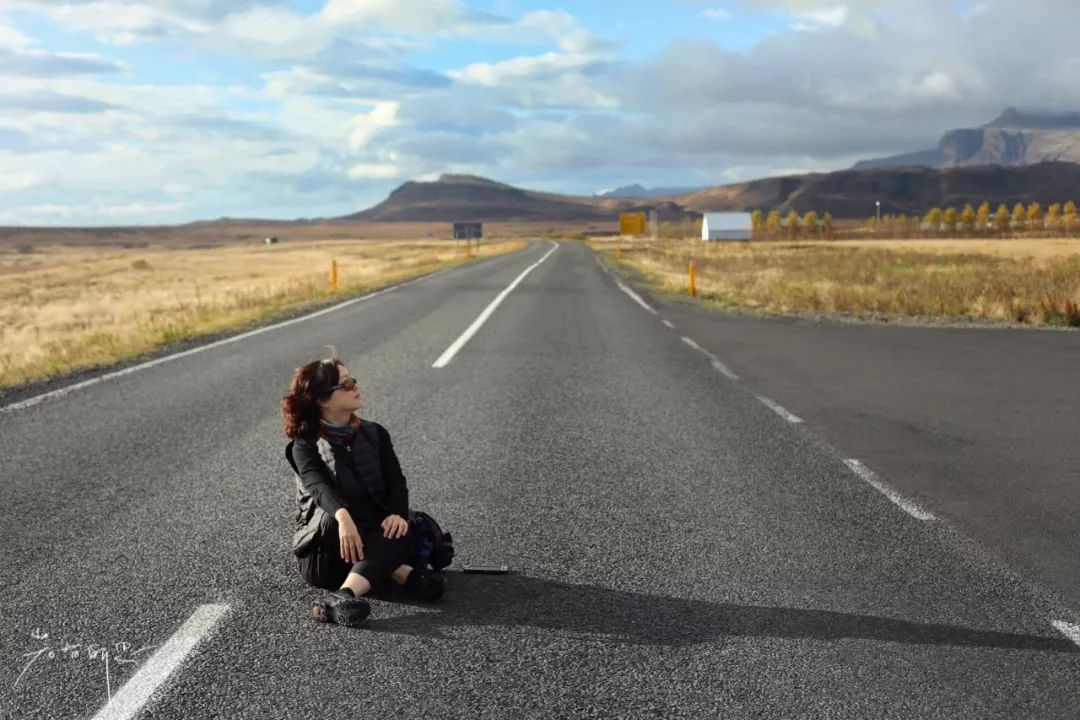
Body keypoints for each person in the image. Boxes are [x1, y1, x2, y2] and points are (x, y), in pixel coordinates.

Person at [281, 347, 445, 627]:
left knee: (398, 524)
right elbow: (318, 486)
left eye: (353, 379)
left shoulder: (375, 433)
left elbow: (397, 482)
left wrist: (396, 513)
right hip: (327, 551)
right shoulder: (303, 445)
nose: (355, 386)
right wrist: (343, 517)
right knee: (341, 519)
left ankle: (343, 596)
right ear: (323, 400)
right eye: (346, 384)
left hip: (369, 538)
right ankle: (400, 573)